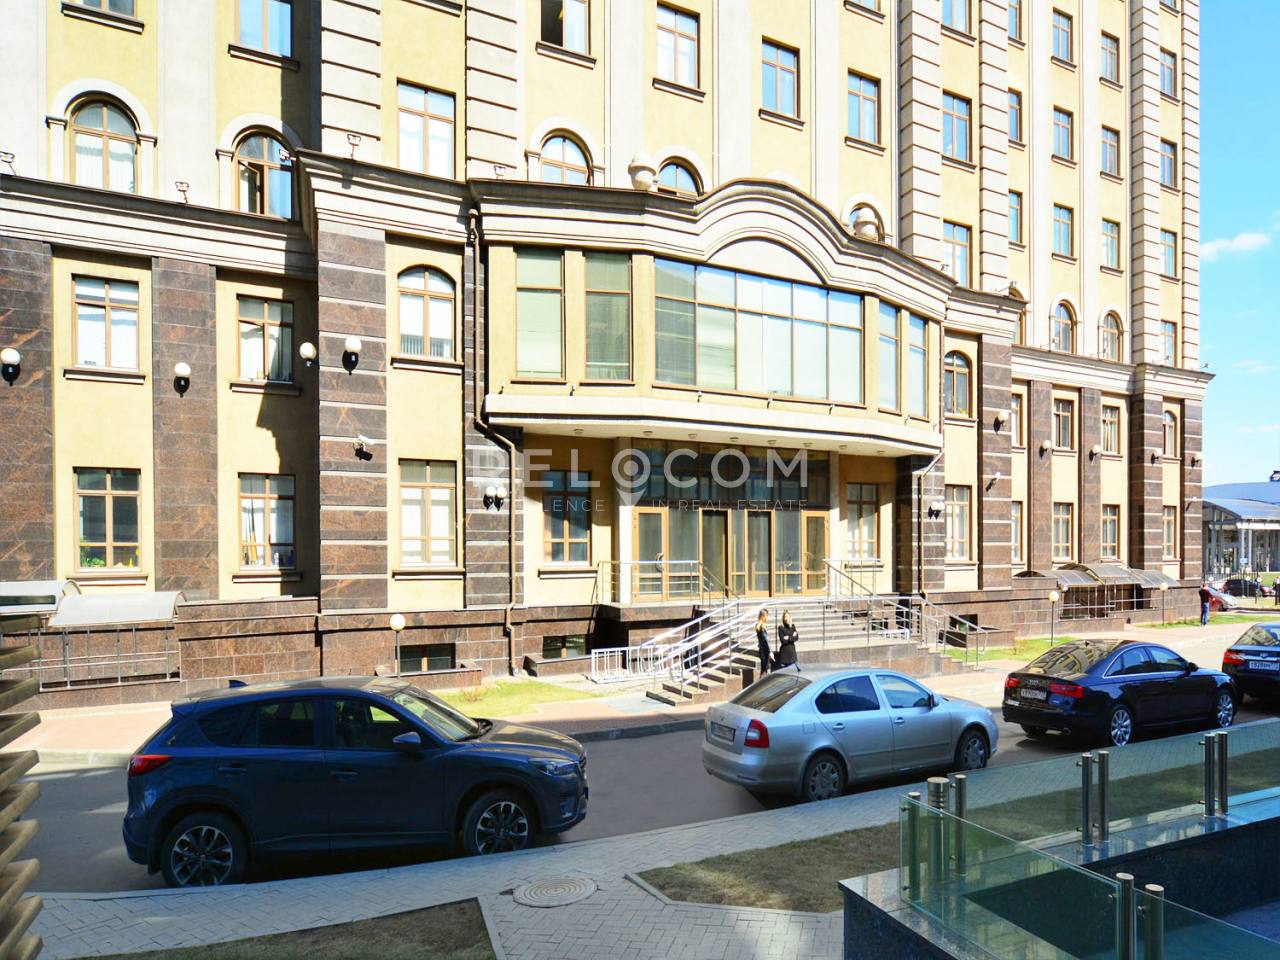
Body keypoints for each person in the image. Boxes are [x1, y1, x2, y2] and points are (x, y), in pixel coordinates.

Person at [754, 608, 772, 677]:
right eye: (767, 616)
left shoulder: (758, 626)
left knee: (763, 669)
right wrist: (770, 651)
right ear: (763, 616)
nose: (767, 618)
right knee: (764, 670)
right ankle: (763, 681)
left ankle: (762, 679)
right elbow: (765, 640)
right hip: (765, 650)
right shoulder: (762, 627)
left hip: (761, 650)